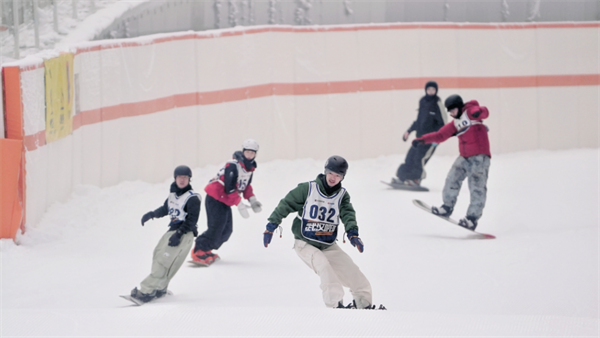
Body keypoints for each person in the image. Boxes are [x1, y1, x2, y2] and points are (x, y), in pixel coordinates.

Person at [263, 156, 383, 310]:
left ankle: (364, 306)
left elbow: (348, 215)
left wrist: (353, 234)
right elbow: (286, 204)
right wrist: (271, 225)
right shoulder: (308, 189)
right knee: (324, 267)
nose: (333, 178)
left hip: (328, 244)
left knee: (356, 276)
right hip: (305, 243)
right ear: (325, 172)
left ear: (342, 177)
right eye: (331, 173)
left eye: (338, 175)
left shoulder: (342, 196)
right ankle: (335, 307)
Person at [412, 94, 491, 230]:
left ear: (459, 107)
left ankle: (472, 218)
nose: (452, 113)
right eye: (450, 111)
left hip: (479, 157)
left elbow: (484, 111)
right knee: (452, 179)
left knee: (477, 187)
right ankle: (447, 206)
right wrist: (422, 140)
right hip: (465, 157)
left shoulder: (470, 112)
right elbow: (440, 135)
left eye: (453, 110)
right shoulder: (455, 123)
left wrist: (478, 111)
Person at [130, 165, 201, 303]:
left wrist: (179, 234)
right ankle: (160, 288)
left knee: (164, 260)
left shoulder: (192, 198)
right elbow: (165, 209)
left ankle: (146, 291)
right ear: (175, 178)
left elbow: (192, 220)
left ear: (189, 180)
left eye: (185, 177)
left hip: (184, 232)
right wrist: (152, 214)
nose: (182, 180)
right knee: (158, 255)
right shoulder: (173, 195)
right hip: (173, 230)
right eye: (179, 177)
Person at [190, 139, 262, 266]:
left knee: (227, 230)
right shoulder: (233, 165)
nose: (250, 155)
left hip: (226, 200)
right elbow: (230, 188)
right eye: (247, 152)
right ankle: (198, 250)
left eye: (252, 153)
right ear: (243, 151)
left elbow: (245, 186)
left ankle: (207, 249)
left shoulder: (249, 169)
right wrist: (240, 205)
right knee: (216, 227)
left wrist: (253, 200)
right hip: (215, 197)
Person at [395, 80, 447, 186]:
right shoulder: (423, 101)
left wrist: (438, 139)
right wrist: (409, 131)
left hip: (431, 139)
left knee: (420, 158)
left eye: (433, 89)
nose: (431, 91)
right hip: (419, 138)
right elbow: (418, 120)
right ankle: (403, 177)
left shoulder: (438, 103)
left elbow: (444, 123)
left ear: (436, 91)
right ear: (426, 90)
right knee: (410, 157)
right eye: (429, 89)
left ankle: (416, 179)